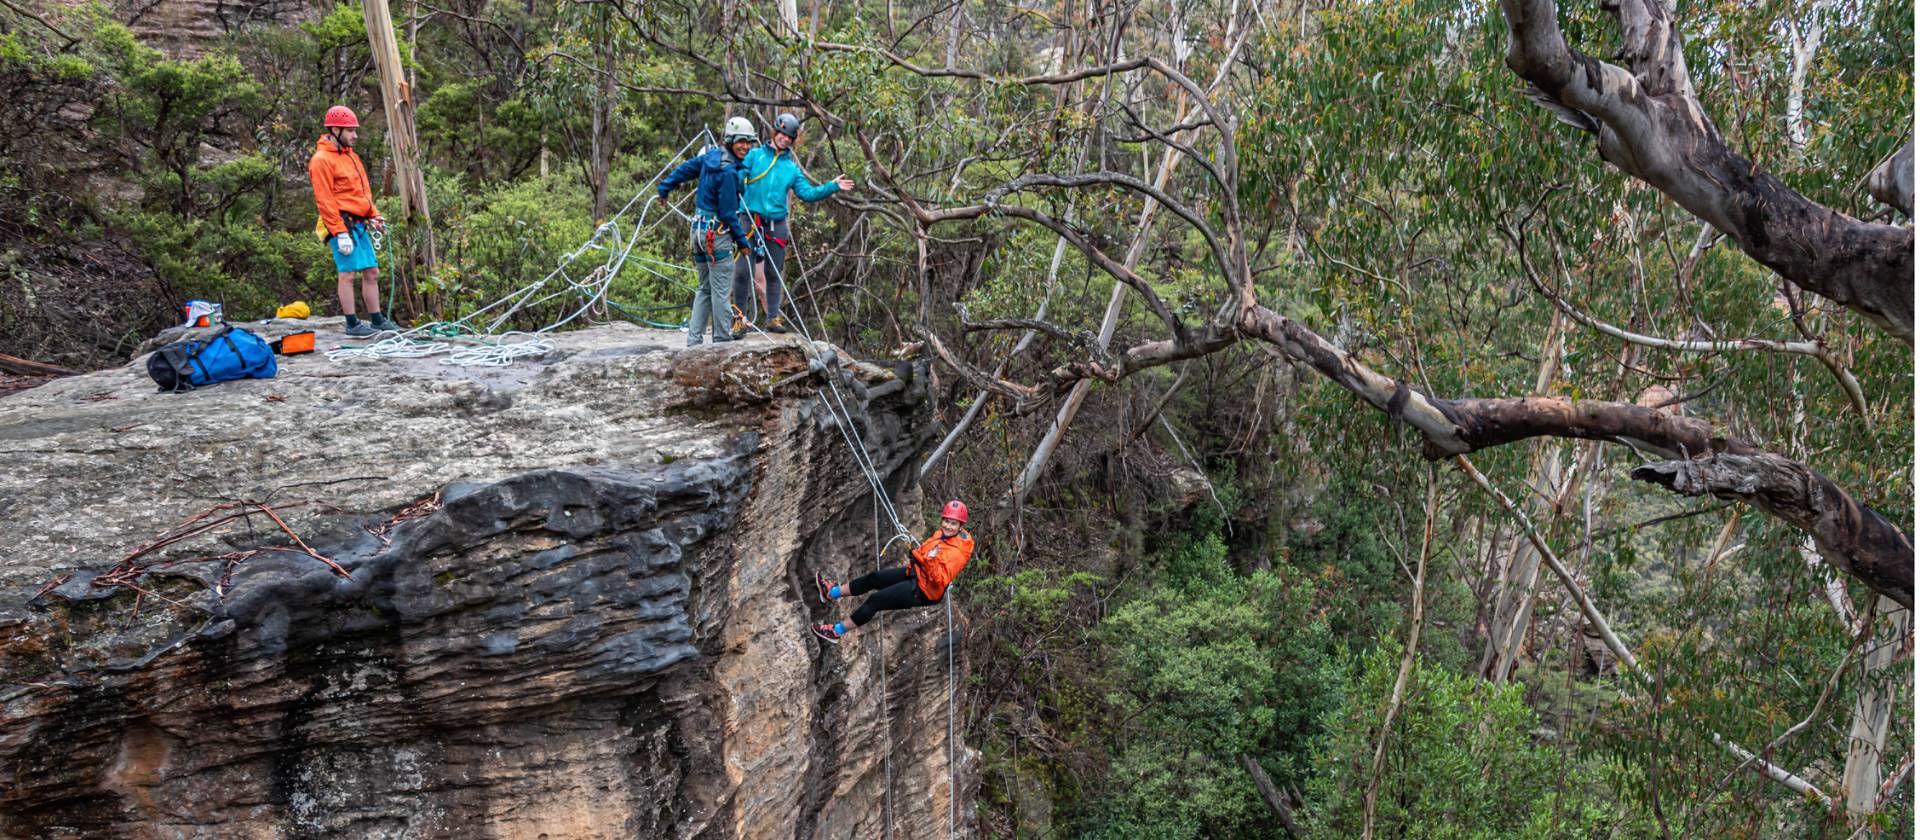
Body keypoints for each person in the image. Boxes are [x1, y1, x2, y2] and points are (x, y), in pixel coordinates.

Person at [730, 112, 855, 337]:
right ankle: (739, 320)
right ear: (775, 132)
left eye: (790, 137)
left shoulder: (791, 168)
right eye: (782, 134)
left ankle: (772, 318)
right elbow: (737, 174)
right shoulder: (755, 155)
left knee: (774, 272)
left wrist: (833, 186)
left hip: (776, 223)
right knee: (742, 272)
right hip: (749, 218)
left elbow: (808, 194)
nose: (785, 139)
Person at [658, 116, 766, 346]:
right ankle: (722, 341)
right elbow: (728, 213)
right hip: (716, 235)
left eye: (748, 142)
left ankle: (694, 340)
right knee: (720, 291)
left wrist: (665, 187)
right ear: (730, 140)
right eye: (741, 141)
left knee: (704, 288)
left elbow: (684, 170)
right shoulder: (729, 172)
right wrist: (742, 242)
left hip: (698, 232)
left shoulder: (710, 157)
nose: (746, 146)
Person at [813, 500, 973, 642]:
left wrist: (927, 560)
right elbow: (929, 552)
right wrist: (920, 554)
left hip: (923, 591)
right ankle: (831, 593)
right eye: (946, 521)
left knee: (875, 601)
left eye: (953, 523)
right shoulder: (942, 534)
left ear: (961, 526)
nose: (948, 526)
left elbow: (940, 580)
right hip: (916, 573)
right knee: (874, 578)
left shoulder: (957, 553)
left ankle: (836, 632)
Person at [308, 105, 397, 339]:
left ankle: (377, 319)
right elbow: (324, 200)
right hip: (340, 223)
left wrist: (374, 215)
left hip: (358, 222)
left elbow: (362, 192)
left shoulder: (351, 156)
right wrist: (340, 232)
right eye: (350, 131)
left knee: (372, 271)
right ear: (335, 130)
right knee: (347, 273)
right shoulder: (321, 160)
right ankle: (352, 323)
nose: (355, 135)